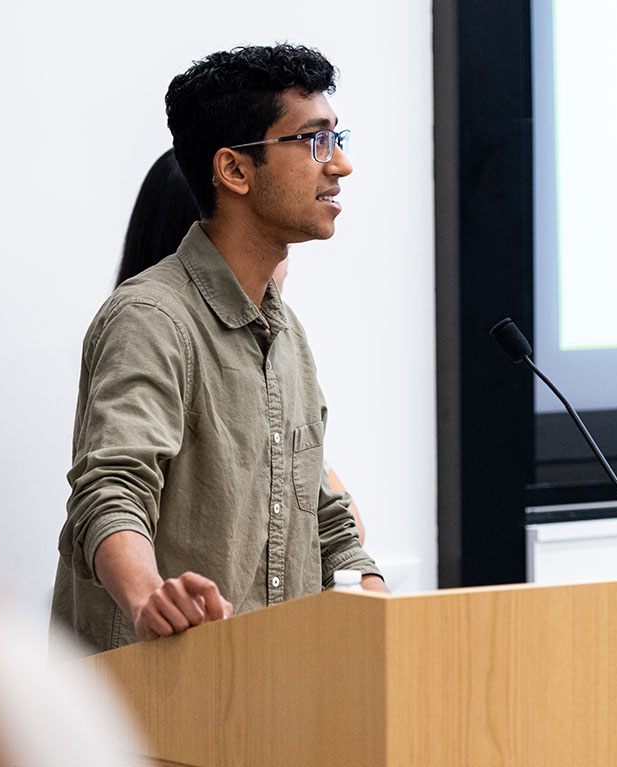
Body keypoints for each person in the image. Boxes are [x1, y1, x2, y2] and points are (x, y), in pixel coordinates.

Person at [52, 43, 386, 655]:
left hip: (264, 693)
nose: (339, 165)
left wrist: (367, 585)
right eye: (314, 141)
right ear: (234, 170)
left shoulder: (286, 335)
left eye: (337, 139)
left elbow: (325, 513)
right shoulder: (151, 319)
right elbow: (110, 491)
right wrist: (149, 595)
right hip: (157, 708)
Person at [119, 149, 367, 542]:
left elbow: (339, 527)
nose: (282, 262)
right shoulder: (149, 328)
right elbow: (114, 499)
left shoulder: (285, 342)